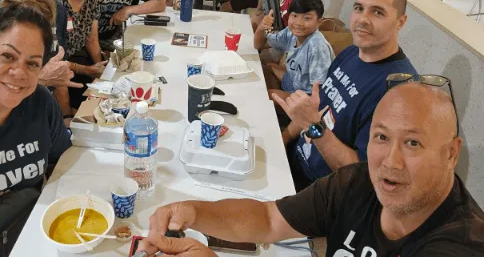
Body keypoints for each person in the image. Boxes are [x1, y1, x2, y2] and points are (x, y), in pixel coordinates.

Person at [136, 82, 484, 257]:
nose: (390, 162)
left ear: (451, 153)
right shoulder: (358, 183)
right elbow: (269, 219)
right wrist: (193, 211)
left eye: (413, 143)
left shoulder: (462, 244)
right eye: (381, 137)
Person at [277, 0, 416, 191]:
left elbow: (362, 175)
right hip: (292, 161)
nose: (362, 20)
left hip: (319, 193)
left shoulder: (398, 91)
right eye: (359, 8)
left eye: (377, 12)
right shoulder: (351, 53)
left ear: (401, 21)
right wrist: (282, 139)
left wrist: (314, 126)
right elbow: (315, 109)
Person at [0, 0, 72, 256]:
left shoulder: (39, 103)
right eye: (7, 56)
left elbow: (62, 163)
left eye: (32, 63)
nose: (19, 73)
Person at [53, 0, 113, 115]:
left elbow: (92, 39)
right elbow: (54, 61)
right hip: (55, 72)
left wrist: (101, 72)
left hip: (77, 64)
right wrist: (87, 70)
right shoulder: (54, 4)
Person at [254, 0, 334, 101]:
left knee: (269, 94)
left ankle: (282, 110)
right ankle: (279, 109)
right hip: (293, 82)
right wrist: (262, 27)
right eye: (295, 15)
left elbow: (318, 90)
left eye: (307, 18)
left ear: (319, 22)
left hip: (306, 96)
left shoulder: (317, 46)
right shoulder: (290, 32)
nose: (298, 23)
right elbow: (258, 45)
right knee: (268, 67)